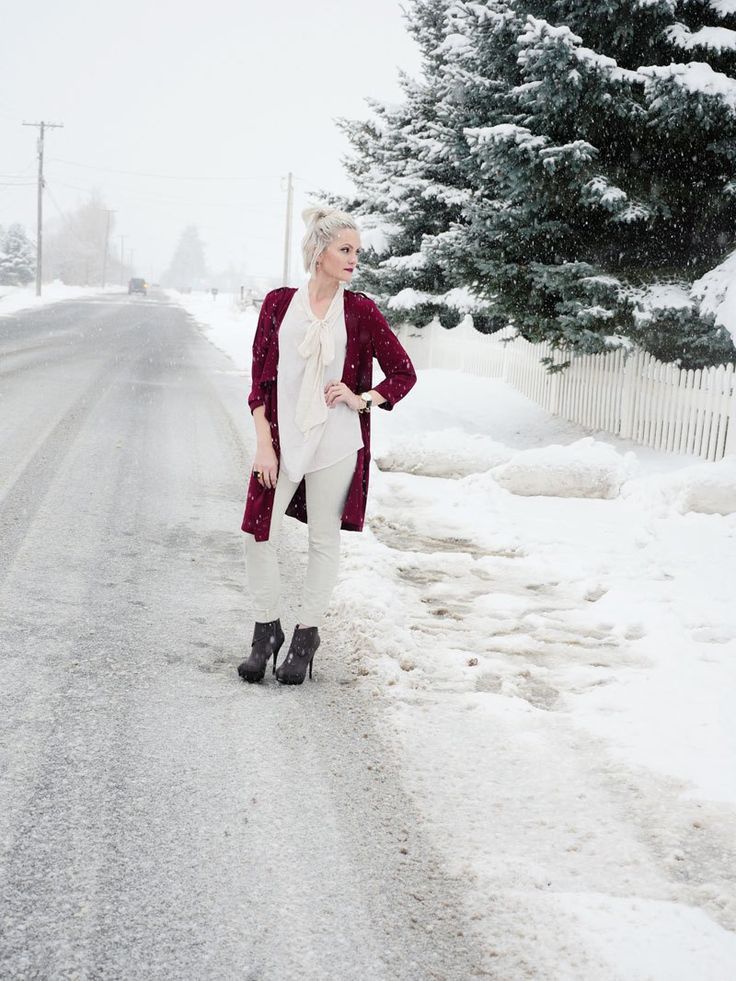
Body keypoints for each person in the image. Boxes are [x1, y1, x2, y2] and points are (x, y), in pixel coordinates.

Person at [238, 205, 416, 685]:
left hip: (336, 443)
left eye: (357, 251)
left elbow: (403, 372)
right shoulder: (278, 303)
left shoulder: (360, 310)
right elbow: (261, 381)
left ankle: (305, 636)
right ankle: (265, 630)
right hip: (281, 440)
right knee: (258, 534)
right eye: (345, 249)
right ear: (319, 252)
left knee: (322, 540)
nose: (354, 258)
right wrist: (263, 444)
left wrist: (363, 399)